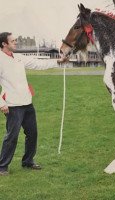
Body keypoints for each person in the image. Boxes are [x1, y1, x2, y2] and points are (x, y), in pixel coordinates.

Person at [0, 32, 60, 175]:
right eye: (13, 41)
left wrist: (57, 61)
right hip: (12, 105)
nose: (16, 43)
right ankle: (2, 166)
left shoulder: (19, 57)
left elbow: (37, 63)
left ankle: (28, 161)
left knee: (32, 134)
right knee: (12, 137)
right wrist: (1, 103)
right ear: (4, 44)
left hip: (27, 103)